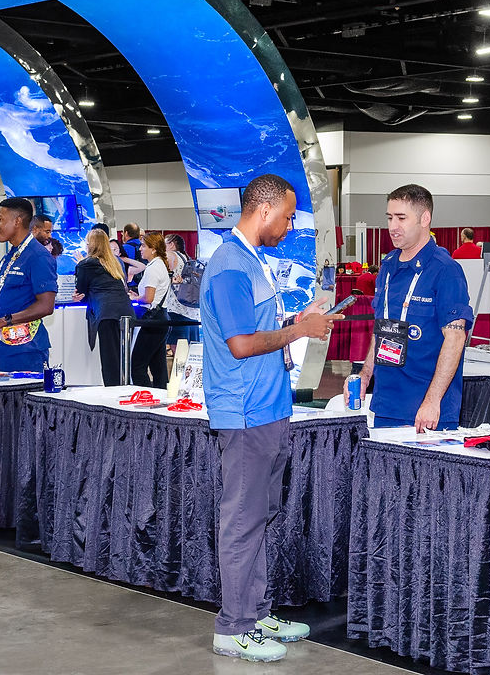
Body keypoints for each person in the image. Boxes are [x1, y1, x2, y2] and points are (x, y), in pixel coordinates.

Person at [201, 174, 341, 663]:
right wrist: (300, 330)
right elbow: (240, 345)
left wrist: (294, 322)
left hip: (270, 408)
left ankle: (256, 613)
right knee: (242, 521)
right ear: (263, 211)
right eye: (286, 216)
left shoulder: (252, 261)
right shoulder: (229, 266)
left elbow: (255, 330)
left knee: (258, 517)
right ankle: (233, 626)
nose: (288, 226)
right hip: (245, 414)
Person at [345, 184, 473, 432]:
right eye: (390, 217)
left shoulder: (445, 270)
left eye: (401, 218)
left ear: (425, 219)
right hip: (386, 406)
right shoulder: (388, 265)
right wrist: (365, 375)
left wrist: (433, 400)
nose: (393, 226)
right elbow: (381, 329)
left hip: (428, 413)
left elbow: (456, 338)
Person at [0, 197, 58, 371]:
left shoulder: (38, 257)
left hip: (25, 351)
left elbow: (46, 306)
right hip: (0, 347)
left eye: (0, 219)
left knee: (21, 399)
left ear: (17, 221)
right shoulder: (9, 256)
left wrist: (4, 320)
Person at [72, 229, 134, 385]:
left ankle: (112, 397)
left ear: (90, 244)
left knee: (110, 360)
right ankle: (124, 393)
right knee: (123, 359)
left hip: (107, 314)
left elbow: (81, 290)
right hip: (126, 312)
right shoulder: (116, 262)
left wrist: (79, 295)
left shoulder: (85, 264)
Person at [129, 233, 172, 388]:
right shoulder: (159, 265)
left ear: (153, 249)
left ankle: (146, 399)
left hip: (153, 321)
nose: (140, 249)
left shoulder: (153, 268)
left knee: (137, 366)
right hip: (161, 319)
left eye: (143, 246)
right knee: (158, 367)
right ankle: (161, 401)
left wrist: (135, 299)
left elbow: (148, 298)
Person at [165, 233, 200, 349]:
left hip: (176, 308)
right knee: (189, 350)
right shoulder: (186, 258)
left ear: (171, 244)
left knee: (178, 354)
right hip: (190, 310)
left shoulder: (170, 255)